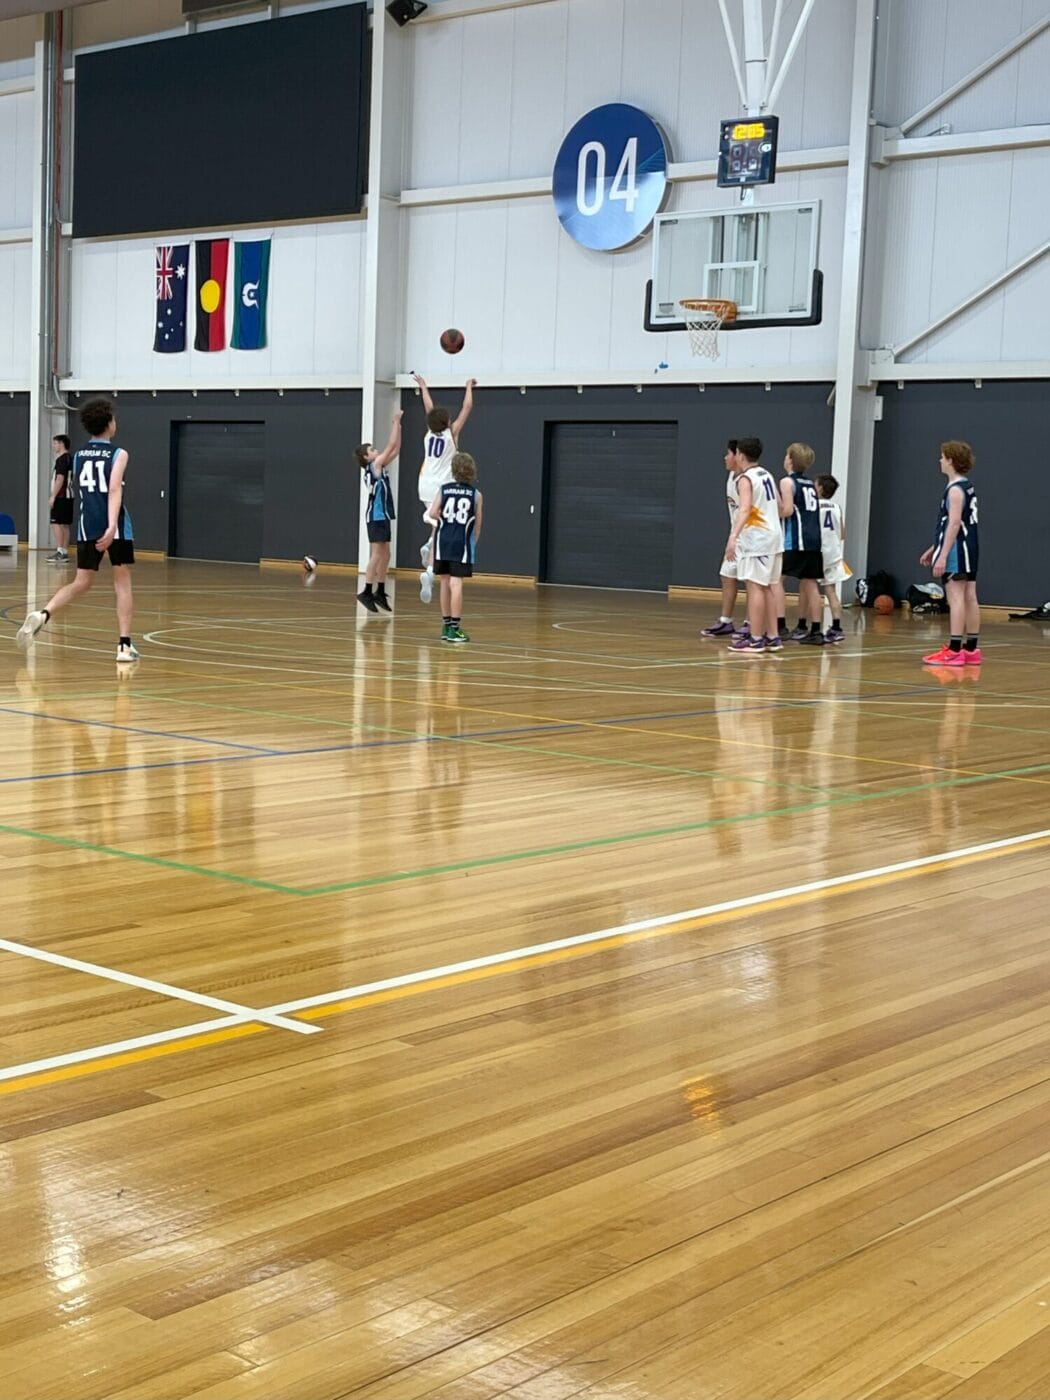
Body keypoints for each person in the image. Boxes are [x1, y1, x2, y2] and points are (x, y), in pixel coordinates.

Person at [17, 398, 139, 662]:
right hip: (114, 526)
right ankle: (124, 646)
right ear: (109, 423)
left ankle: (44, 614)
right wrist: (111, 526)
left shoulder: (78, 456)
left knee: (81, 582)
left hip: (87, 525)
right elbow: (114, 489)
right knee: (122, 583)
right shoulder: (119, 454)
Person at [413, 372, 476, 604]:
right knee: (442, 527)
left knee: (437, 524)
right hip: (442, 486)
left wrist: (423, 386)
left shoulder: (429, 434)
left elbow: (428, 407)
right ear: (448, 422)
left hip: (424, 484)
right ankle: (430, 562)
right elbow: (467, 407)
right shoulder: (452, 434)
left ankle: (429, 552)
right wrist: (468, 386)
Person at [920, 441, 981, 667]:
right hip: (970, 546)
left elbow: (954, 523)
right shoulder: (967, 486)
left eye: (943, 457)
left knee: (955, 598)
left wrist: (943, 555)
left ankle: (955, 650)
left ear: (951, 461)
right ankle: (971, 649)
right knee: (970, 596)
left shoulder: (954, 490)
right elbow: (957, 523)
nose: (940, 460)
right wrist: (934, 547)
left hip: (957, 549)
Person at [724, 437, 783, 655]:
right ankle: (773, 636)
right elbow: (782, 507)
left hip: (758, 539)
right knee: (768, 586)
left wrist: (733, 537)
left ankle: (756, 639)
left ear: (740, 455)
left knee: (755, 586)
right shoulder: (766, 474)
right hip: (775, 536)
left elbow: (744, 509)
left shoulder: (745, 479)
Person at [426, 451, 482, 644]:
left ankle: (446, 625)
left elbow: (432, 513)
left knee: (444, 581)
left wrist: (444, 518)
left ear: (453, 470)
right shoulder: (476, 495)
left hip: (443, 540)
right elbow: (477, 525)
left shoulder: (444, 490)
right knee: (456, 583)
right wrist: (472, 543)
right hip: (461, 542)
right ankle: (455, 629)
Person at [353, 409, 402, 613]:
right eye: (372, 449)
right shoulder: (374, 466)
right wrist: (395, 421)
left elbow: (396, 450)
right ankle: (366, 590)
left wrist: (399, 426)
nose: (376, 450)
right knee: (377, 554)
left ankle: (380, 590)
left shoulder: (378, 466)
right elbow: (391, 445)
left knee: (386, 554)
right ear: (367, 457)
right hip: (376, 515)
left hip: (382, 515)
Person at [700, 439, 749, 639]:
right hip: (737, 537)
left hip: (752, 537)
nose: (725, 457)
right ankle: (726, 621)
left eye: (728, 454)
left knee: (752, 582)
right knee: (727, 574)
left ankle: (751, 623)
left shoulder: (747, 480)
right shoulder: (731, 477)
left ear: (738, 456)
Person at [779, 442, 825, 645]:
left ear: (790, 459)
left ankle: (780, 626)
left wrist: (773, 509)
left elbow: (788, 510)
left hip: (796, 540)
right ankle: (816, 630)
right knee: (810, 583)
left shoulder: (787, 482)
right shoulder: (810, 484)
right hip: (814, 540)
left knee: (776, 580)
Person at [816, 474, 850, 643]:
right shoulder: (837, 507)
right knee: (831, 592)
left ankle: (812, 626)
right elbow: (842, 534)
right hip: (834, 554)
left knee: (811, 590)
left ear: (820, 488)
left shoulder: (814, 506)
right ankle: (836, 628)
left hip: (818, 552)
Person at [47, 434, 74, 563]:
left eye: (55, 443)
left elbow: (60, 478)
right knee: (65, 524)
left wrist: (53, 496)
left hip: (61, 496)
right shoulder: (70, 458)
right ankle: (64, 551)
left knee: (56, 523)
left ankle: (60, 551)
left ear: (61, 443)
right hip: (69, 495)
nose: (53, 446)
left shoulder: (62, 460)